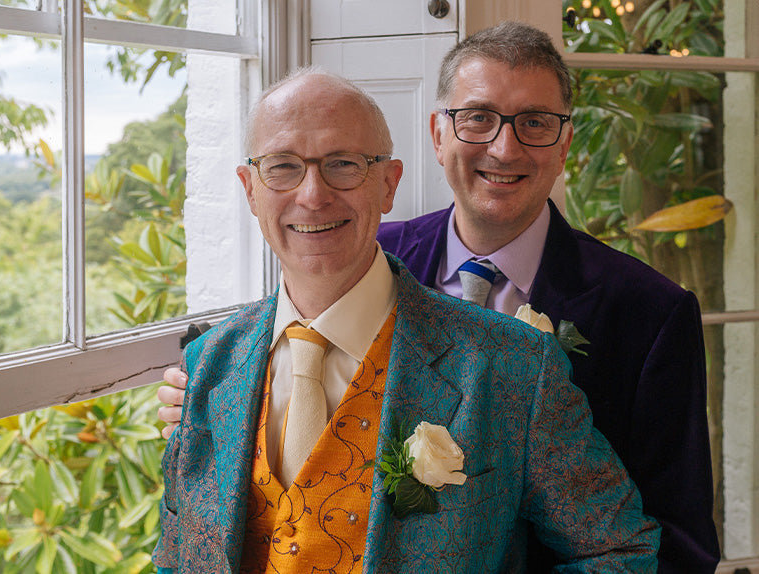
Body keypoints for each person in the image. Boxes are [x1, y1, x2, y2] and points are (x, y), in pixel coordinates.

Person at [158, 22, 719, 573]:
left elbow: (654, 545)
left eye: (535, 122)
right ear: (439, 134)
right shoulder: (349, 251)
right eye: (478, 118)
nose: (505, 147)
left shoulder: (630, 318)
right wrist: (207, 385)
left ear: (387, 182)